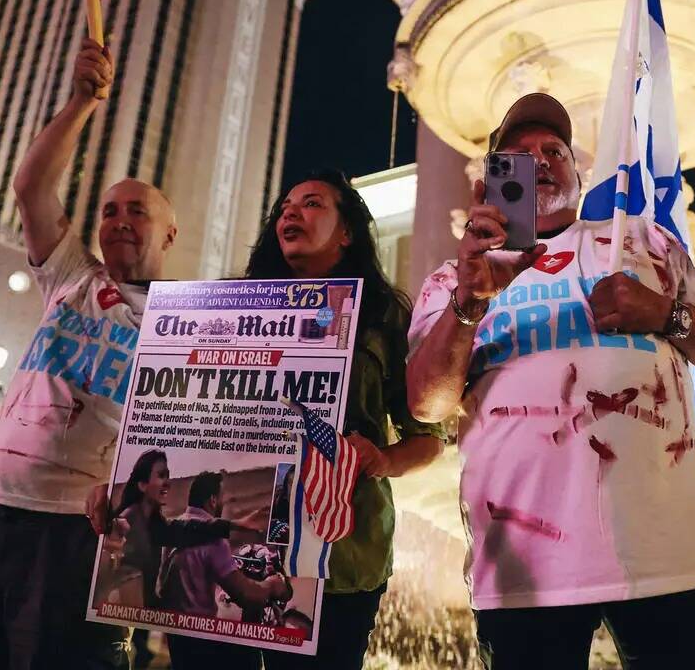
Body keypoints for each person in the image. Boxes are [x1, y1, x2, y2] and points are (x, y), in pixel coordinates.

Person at [407, 93, 695, 669]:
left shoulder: (643, 242)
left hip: (668, 554)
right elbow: (427, 404)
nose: (538, 159)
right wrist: (468, 303)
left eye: (553, 150)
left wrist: (665, 314)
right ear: (492, 182)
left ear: (579, 172)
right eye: (518, 154)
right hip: (524, 568)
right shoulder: (452, 279)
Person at [0, 39, 170, 668]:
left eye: (137, 212)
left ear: (169, 232)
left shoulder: (185, 323)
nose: (119, 220)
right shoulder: (71, 273)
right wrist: (80, 103)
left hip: (82, 530)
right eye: (110, 210)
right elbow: (32, 185)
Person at [240, 169, 444, 669]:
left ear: (347, 231)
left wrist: (381, 460)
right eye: (285, 207)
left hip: (343, 558)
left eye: (310, 204)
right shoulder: (232, 308)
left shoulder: (385, 314)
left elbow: (428, 440)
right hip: (236, 547)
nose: (290, 212)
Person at [158, 472, 288, 669]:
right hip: (208, 643)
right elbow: (246, 595)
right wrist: (273, 585)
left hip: (179, 638)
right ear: (212, 500)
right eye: (224, 499)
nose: (224, 504)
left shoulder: (177, 528)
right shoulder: (214, 540)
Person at [106, 449, 262, 610]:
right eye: (161, 476)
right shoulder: (129, 523)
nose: (168, 482)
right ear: (142, 485)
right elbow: (127, 587)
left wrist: (236, 524)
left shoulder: (153, 524)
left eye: (167, 475)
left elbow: (188, 529)